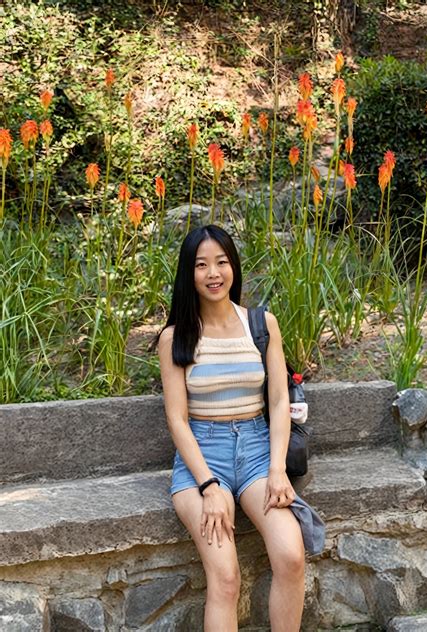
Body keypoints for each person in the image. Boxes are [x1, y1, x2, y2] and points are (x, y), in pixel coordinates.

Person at [158, 224, 306, 632]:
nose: (214, 273)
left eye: (221, 262)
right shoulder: (175, 338)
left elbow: (278, 400)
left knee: (291, 557)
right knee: (225, 577)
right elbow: (177, 419)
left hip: (260, 454)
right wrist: (208, 487)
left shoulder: (262, 324)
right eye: (202, 265)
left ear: (234, 267)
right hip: (203, 461)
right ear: (189, 274)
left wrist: (278, 470)